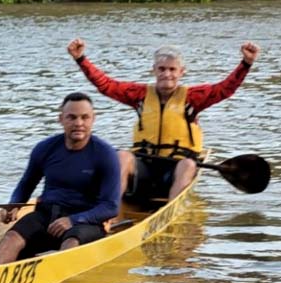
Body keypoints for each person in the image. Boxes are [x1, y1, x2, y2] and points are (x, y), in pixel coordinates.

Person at [67, 38, 260, 204]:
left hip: (176, 170)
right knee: (123, 156)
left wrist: (246, 63)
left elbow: (225, 89)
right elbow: (106, 85)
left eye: (172, 69)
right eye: (162, 69)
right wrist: (80, 59)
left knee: (189, 165)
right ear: (154, 71)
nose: (167, 74)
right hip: (145, 167)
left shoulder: (194, 97)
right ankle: (110, 212)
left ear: (181, 72)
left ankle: (170, 209)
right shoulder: (139, 95)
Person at [0, 92, 121, 267]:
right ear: (61, 119)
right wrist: (14, 204)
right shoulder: (45, 148)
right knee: (12, 236)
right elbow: (26, 184)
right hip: (47, 215)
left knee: (71, 242)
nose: (79, 123)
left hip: (85, 220)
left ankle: (57, 273)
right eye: (72, 117)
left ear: (93, 119)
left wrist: (73, 221)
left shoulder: (105, 154)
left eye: (85, 117)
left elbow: (111, 207)